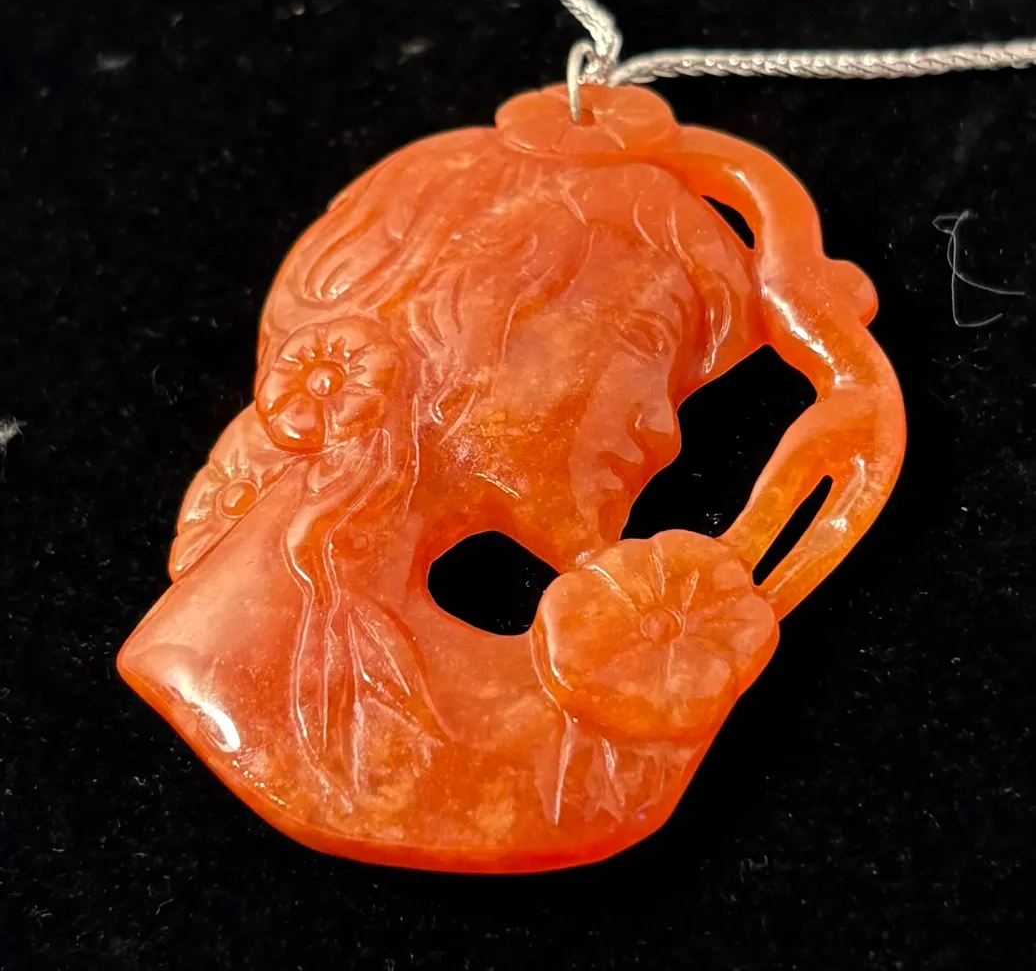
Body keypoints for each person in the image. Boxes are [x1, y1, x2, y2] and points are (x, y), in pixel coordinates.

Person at [119, 84, 905, 871]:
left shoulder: (559, 729)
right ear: (472, 314)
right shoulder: (259, 664)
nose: (664, 432)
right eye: (645, 342)